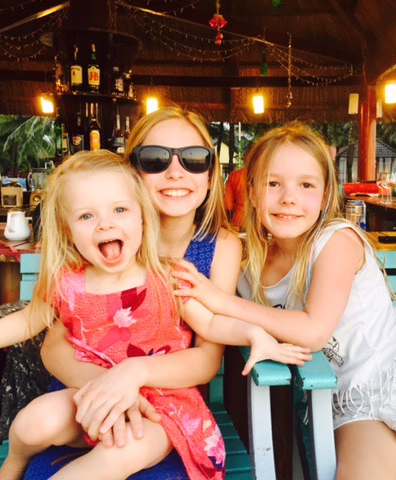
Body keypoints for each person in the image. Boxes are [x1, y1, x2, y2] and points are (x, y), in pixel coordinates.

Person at [0, 150, 310, 480]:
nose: (105, 224)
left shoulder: (167, 277)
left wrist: (254, 334)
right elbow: (26, 320)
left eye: (120, 210)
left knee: (122, 451)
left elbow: (211, 323)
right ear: (69, 231)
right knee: (30, 422)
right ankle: (14, 465)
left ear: (142, 218)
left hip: (159, 410)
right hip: (91, 395)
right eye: (87, 215)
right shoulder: (67, 283)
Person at [173, 123, 396, 479]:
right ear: (251, 192)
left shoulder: (336, 241)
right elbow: (209, 318)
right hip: (348, 400)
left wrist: (220, 300)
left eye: (306, 185)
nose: (288, 198)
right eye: (273, 183)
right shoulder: (248, 266)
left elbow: (313, 331)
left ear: (326, 194)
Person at [34, 106, 250, 477]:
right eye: (155, 159)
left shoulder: (221, 247)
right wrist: (110, 388)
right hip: (82, 398)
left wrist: (134, 374)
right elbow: (54, 346)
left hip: (167, 409)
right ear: (132, 173)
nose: (176, 171)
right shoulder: (99, 240)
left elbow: (207, 358)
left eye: (194, 158)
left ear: (211, 174)